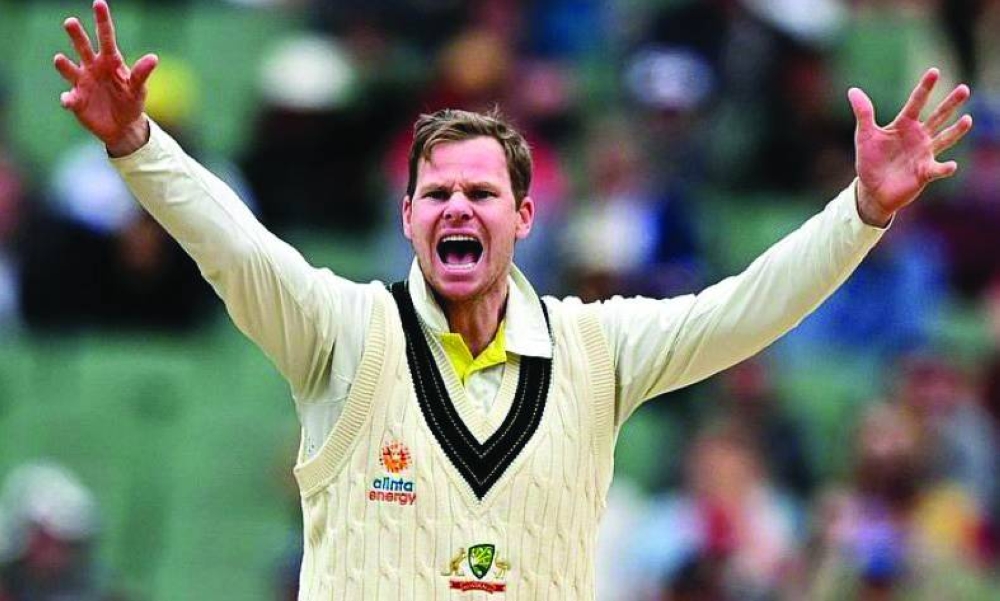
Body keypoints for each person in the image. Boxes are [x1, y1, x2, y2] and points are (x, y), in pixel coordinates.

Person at [53, 1, 973, 598]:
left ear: (526, 216)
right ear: (407, 216)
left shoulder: (597, 349)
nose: (458, 207)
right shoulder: (342, 330)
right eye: (437, 193)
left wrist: (861, 211)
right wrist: (139, 144)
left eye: (482, 192)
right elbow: (235, 247)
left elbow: (748, 307)